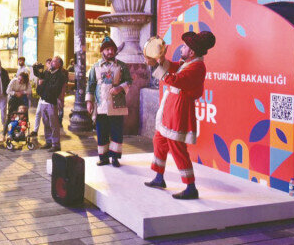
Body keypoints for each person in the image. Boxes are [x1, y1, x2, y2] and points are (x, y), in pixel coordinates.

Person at [144, 31, 216, 200]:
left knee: (177, 147)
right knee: (159, 140)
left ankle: (191, 187)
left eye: (184, 46)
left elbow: (177, 80)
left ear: (191, 51)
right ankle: (159, 177)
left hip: (179, 108)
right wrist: (161, 60)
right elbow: (175, 66)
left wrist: (158, 68)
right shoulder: (189, 62)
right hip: (172, 106)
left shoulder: (198, 67)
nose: (182, 48)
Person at [86, 36, 133, 167]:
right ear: (102, 51)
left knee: (116, 131)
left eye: (112, 49)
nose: (110, 52)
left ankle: (115, 158)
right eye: (107, 49)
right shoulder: (95, 67)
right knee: (102, 131)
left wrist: (120, 88)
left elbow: (129, 81)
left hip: (117, 105)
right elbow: (90, 84)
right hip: (101, 105)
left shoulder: (122, 66)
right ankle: (103, 157)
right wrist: (89, 102)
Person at [33, 56, 67, 152]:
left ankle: (56, 144)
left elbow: (54, 89)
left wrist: (42, 86)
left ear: (59, 64)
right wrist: (35, 68)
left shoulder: (60, 75)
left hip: (51, 102)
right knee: (46, 123)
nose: (51, 62)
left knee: (54, 124)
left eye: (54, 61)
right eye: (51, 61)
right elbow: (40, 76)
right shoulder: (48, 72)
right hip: (43, 101)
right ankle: (48, 142)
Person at [4, 72, 31, 138]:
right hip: (13, 99)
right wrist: (15, 93)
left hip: (22, 99)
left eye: (21, 80)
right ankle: (4, 134)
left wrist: (22, 92)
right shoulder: (14, 81)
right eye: (18, 79)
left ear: (25, 80)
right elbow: (7, 91)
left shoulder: (27, 83)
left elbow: (29, 91)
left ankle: (22, 132)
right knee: (11, 116)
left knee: (23, 116)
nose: (19, 81)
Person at [30, 58, 52, 137]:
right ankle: (35, 131)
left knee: (47, 117)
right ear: (46, 64)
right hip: (42, 97)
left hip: (49, 98)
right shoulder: (45, 72)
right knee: (38, 113)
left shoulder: (52, 73)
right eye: (48, 62)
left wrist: (42, 82)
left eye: (51, 62)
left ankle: (50, 133)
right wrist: (34, 67)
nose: (49, 64)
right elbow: (38, 74)